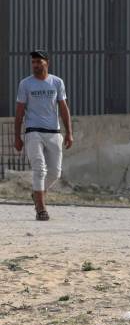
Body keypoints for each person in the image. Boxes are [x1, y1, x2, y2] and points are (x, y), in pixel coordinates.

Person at [13, 50, 73, 221]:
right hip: (33, 132)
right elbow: (19, 112)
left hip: (54, 132)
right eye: (33, 62)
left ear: (47, 62)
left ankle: (37, 194)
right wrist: (17, 137)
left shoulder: (57, 82)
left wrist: (69, 133)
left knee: (55, 173)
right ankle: (41, 208)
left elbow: (63, 108)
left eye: (39, 62)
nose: (35, 65)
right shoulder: (25, 84)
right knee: (39, 169)